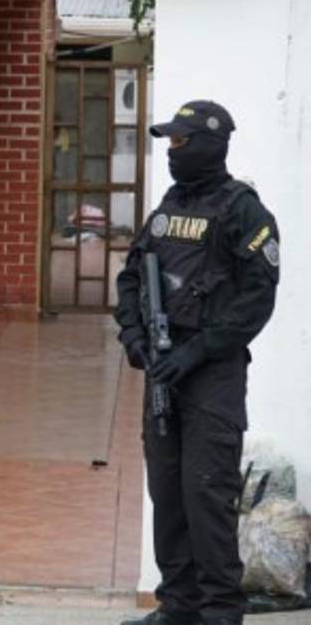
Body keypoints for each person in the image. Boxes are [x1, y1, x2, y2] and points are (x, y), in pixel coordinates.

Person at [115, 100, 280, 625]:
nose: (172, 152)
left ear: (212, 144)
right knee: (168, 492)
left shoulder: (242, 210)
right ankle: (178, 606)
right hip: (164, 370)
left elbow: (257, 297)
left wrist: (198, 350)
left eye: (181, 143)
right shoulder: (167, 208)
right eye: (169, 143)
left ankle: (219, 612)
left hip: (212, 374)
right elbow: (131, 277)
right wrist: (135, 338)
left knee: (206, 493)